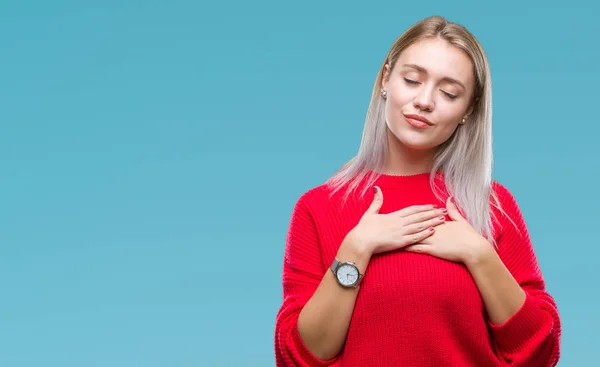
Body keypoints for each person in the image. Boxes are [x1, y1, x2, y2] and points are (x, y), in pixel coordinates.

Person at [273, 15, 561, 367]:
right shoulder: (318, 207)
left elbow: (540, 351)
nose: (425, 101)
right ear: (385, 80)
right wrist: (356, 248)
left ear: (467, 111)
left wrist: (479, 254)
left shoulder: (493, 205)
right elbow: (297, 357)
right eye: (412, 80)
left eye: (449, 92)